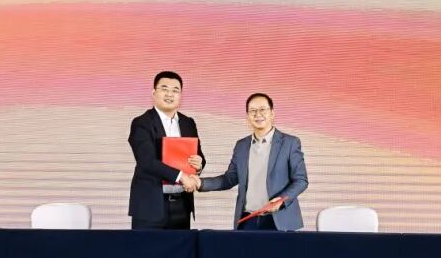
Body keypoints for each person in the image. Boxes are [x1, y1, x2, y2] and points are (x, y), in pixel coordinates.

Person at [197, 93, 308, 231]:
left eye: (262, 109)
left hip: (279, 220)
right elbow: (229, 179)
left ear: (272, 113)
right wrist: (200, 183)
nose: (257, 114)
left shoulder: (290, 143)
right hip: (247, 219)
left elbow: (301, 180)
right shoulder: (241, 145)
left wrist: (281, 200)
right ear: (247, 116)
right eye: (252, 111)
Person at [127, 71, 206, 229]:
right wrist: (181, 176)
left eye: (175, 90)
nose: (170, 94)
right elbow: (147, 161)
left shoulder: (188, 123)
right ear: (154, 93)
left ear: (181, 95)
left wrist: (199, 164)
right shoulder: (142, 123)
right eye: (164, 89)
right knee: (148, 246)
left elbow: (199, 155)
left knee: (181, 246)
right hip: (151, 206)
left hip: (182, 204)